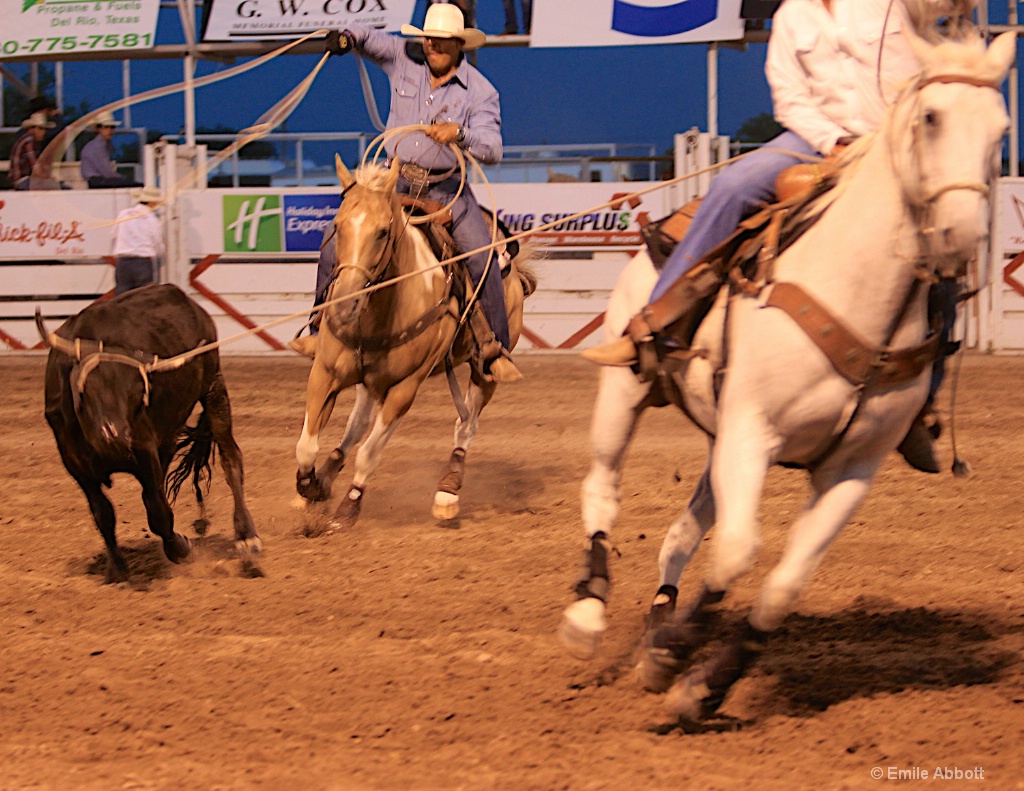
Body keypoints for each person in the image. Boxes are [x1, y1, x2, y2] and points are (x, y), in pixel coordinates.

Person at [586, 0, 949, 472]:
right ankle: (657, 323)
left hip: (895, 142)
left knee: (946, 240)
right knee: (732, 186)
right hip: (813, 141)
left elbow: (948, 12)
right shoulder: (793, 15)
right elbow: (790, 99)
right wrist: (833, 143)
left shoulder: (897, 4)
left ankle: (920, 403)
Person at [308, 3, 521, 382]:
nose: (431, 46)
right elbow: (369, 37)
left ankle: (493, 348)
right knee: (335, 236)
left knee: (481, 256)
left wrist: (460, 133)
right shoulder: (403, 59)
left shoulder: (481, 92)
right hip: (395, 182)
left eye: (440, 42)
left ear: (459, 44)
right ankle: (317, 328)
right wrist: (346, 37)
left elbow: (493, 149)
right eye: (427, 39)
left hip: (446, 189)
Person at [111, 185, 164, 294]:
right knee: (143, 295)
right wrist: (159, 254)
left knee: (122, 294)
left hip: (123, 260)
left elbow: (114, 235)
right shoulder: (152, 219)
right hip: (142, 261)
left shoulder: (123, 214)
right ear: (153, 203)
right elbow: (157, 242)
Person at [80, 110, 140, 189]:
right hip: (97, 181)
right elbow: (107, 172)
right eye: (106, 127)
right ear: (99, 129)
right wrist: (123, 178)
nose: (110, 130)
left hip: (98, 181)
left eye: (112, 127)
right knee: (135, 185)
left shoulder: (100, 145)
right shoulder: (97, 146)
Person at [9, 111, 55, 190]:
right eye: (40, 128)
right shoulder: (29, 141)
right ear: (32, 129)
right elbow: (35, 167)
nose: (43, 132)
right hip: (22, 180)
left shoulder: (30, 140)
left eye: (44, 129)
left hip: (26, 179)